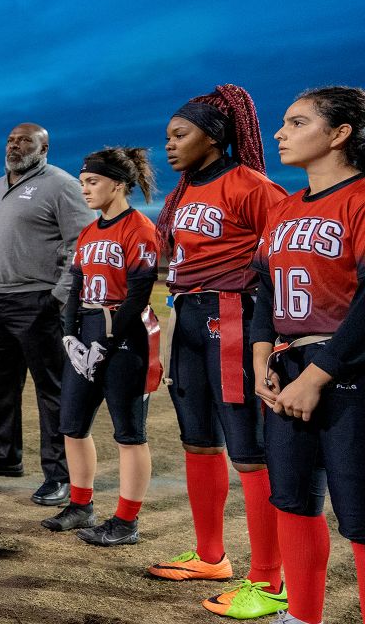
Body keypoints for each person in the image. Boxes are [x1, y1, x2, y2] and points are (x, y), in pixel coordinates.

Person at [147, 84, 288, 621]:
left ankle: (268, 579)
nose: (170, 145)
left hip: (231, 316)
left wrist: (266, 330)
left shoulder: (251, 184)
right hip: (188, 317)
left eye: (180, 134)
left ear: (215, 136)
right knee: (197, 440)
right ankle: (211, 557)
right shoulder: (184, 192)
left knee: (249, 450)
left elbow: (281, 255)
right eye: (167, 136)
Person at [253, 86, 365, 624]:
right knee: (292, 497)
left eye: (296, 123)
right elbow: (262, 292)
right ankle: (302, 616)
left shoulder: (362, 198)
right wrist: (259, 362)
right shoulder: (285, 208)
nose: (280, 133)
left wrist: (319, 374)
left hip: (348, 370)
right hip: (289, 367)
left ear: (339, 133)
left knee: (360, 512)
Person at [0, 123, 90, 508]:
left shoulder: (62, 185)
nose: (15, 146)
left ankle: (59, 475)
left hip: (38, 301)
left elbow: (80, 244)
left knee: (51, 391)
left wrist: (59, 297)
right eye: (11, 140)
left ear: (44, 146)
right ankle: (5, 456)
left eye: (24, 141)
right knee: (2, 386)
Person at [42, 148, 159, 547]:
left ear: (118, 184)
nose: (85, 189)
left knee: (129, 433)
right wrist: (71, 336)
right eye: (83, 182)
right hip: (88, 330)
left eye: (92, 181)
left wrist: (105, 344)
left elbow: (139, 295)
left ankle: (126, 522)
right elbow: (75, 287)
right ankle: (80, 505)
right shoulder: (91, 232)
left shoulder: (140, 228)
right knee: (72, 425)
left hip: (124, 333)